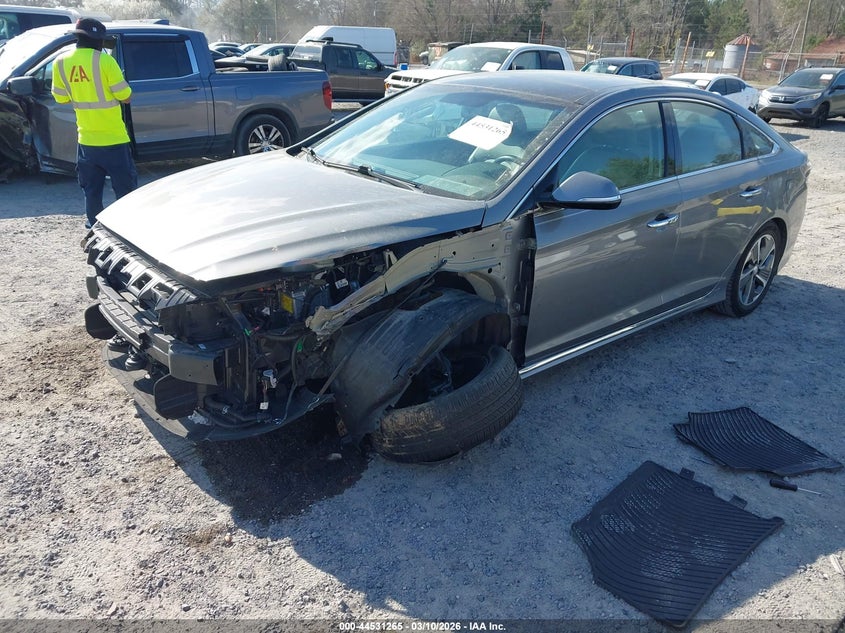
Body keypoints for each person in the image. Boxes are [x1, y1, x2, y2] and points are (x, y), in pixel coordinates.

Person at [51, 18, 137, 230]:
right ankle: (128, 229)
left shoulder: (60, 62)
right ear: (98, 40)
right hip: (114, 139)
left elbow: (60, 98)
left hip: (86, 140)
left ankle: (94, 229)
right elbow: (125, 96)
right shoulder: (105, 61)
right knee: (125, 190)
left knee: (91, 190)